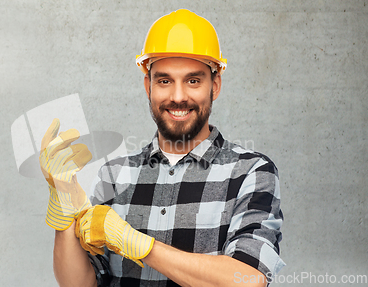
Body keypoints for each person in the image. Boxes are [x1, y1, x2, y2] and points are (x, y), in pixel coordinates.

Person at [39, 9, 285, 287]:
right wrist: (64, 217)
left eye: (193, 81)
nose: (178, 97)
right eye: (164, 81)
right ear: (148, 86)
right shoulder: (115, 175)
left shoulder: (251, 172)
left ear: (215, 85)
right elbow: (78, 284)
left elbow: (248, 280)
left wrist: (141, 246)